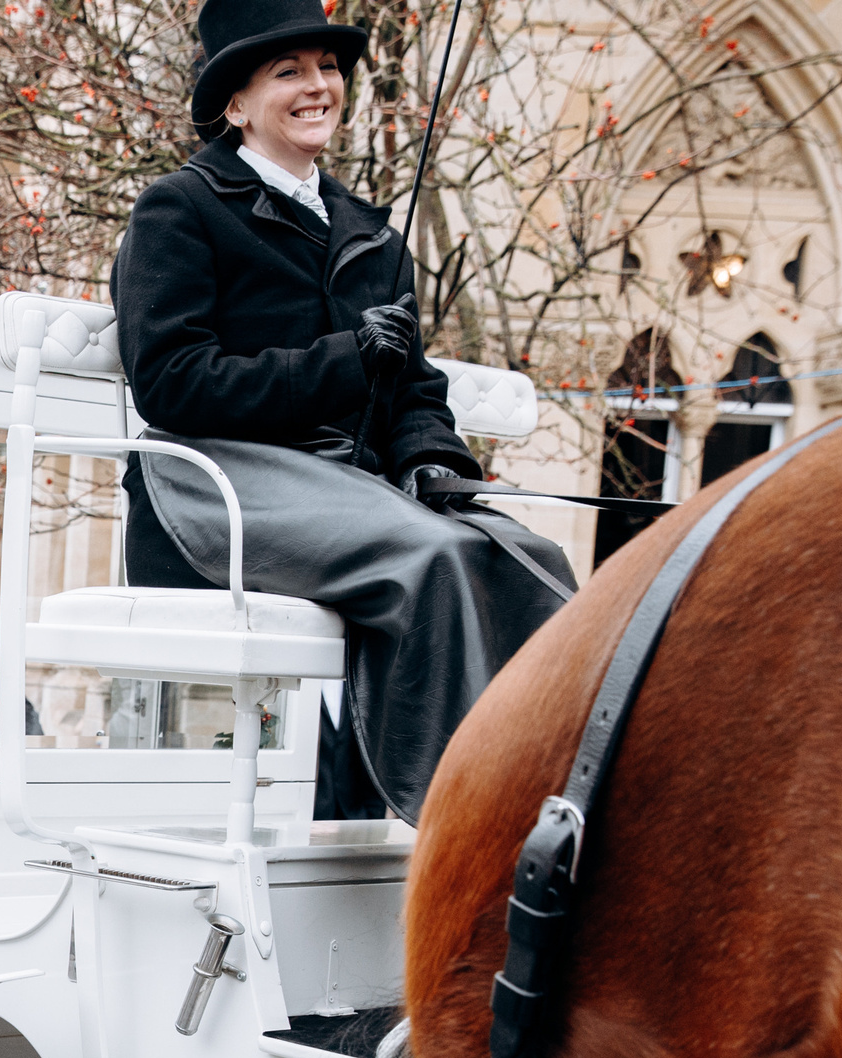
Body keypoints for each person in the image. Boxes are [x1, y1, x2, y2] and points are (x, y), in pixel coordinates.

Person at [111, 0, 574, 823]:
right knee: (432, 558)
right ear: (236, 104)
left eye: (327, 67)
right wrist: (343, 361)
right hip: (214, 486)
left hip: (347, 491)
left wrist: (434, 461)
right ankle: (455, 824)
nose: (317, 85)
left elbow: (414, 392)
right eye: (288, 71)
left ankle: (546, 807)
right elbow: (173, 383)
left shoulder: (372, 236)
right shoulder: (180, 210)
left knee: (529, 560)